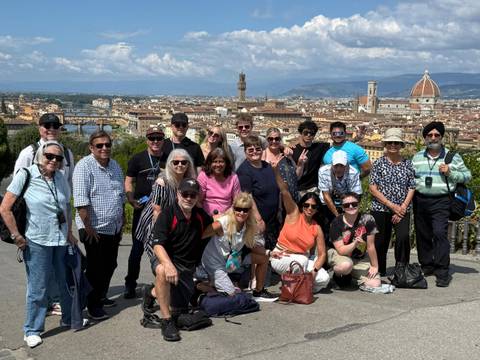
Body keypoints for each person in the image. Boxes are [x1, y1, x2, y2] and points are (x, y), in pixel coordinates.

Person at [0, 141, 77, 348]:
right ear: (40, 156)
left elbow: (67, 207)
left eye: (58, 158)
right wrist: (17, 235)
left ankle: (69, 318)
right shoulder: (26, 174)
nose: (53, 161)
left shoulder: (60, 177)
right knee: (38, 287)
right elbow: (5, 208)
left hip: (59, 239)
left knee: (64, 282)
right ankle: (32, 329)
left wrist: (69, 232)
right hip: (37, 240)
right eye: (49, 156)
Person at [14, 113, 75, 316]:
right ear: (39, 127)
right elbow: (17, 190)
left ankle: (54, 301)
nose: (51, 128)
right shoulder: (28, 153)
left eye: (55, 125)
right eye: (47, 125)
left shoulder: (67, 154)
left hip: (59, 225)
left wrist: (69, 228)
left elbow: (69, 191)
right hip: (34, 224)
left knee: (59, 270)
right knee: (39, 274)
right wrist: (17, 231)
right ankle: (36, 314)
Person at [148, 178, 213, 341]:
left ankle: (151, 292)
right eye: (185, 194)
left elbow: (214, 226)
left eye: (193, 195)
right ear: (178, 194)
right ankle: (166, 321)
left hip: (186, 268)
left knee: (179, 309)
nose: (189, 198)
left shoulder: (200, 216)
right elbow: (157, 246)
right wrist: (168, 264)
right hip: (166, 259)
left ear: (197, 197)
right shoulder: (168, 214)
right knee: (162, 271)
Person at [73, 131, 125, 320]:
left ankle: (100, 296)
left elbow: (120, 196)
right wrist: (88, 228)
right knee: (96, 269)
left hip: (113, 227)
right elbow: (81, 201)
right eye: (99, 145)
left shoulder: (115, 166)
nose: (104, 148)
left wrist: (122, 222)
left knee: (110, 264)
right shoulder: (84, 166)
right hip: (93, 228)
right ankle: (91, 305)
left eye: (107, 145)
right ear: (91, 147)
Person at [412, 121, 471, 287]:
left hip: (442, 200)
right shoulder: (417, 157)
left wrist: (450, 172)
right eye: (430, 135)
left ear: (442, 137)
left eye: (437, 135)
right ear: (425, 138)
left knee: (439, 233)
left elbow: (467, 176)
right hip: (420, 199)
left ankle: (442, 270)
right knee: (422, 234)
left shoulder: (452, 157)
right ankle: (427, 265)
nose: (433, 138)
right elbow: (411, 179)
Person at [201, 192, 278, 301]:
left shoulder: (249, 225)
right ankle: (203, 286)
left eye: (245, 210)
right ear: (233, 209)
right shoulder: (222, 223)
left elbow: (253, 246)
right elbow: (200, 235)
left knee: (264, 258)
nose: (241, 213)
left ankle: (259, 292)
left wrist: (270, 253)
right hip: (215, 262)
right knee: (232, 295)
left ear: (250, 211)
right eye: (238, 209)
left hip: (233, 260)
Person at [269, 158, 330, 293]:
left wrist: (314, 271)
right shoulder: (294, 214)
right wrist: (276, 171)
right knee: (302, 261)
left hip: (302, 259)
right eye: (306, 205)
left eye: (313, 206)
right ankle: (295, 289)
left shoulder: (316, 227)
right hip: (281, 256)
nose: (309, 208)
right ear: (302, 205)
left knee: (324, 278)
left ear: (317, 209)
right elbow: (285, 191)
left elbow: (322, 254)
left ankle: (299, 288)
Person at [123, 125, 165, 299]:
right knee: (137, 249)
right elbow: (128, 182)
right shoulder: (137, 159)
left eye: (158, 138)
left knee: (161, 248)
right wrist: (131, 200)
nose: (155, 141)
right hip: (142, 210)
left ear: (163, 140)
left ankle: (161, 285)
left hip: (162, 211)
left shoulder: (169, 158)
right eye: (151, 138)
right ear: (146, 139)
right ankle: (130, 284)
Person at [369, 128, 416, 276]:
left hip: (402, 208)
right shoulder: (378, 163)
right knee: (380, 240)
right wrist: (392, 206)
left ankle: (401, 270)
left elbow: (412, 187)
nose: (393, 145)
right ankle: (379, 270)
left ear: (401, 145)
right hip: (380, 208)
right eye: (390, 142)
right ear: (385, 144)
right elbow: (372, 188)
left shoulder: (408, 164)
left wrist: (401, 208)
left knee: (403, 238)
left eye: (396, 143)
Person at [136, 149, 196, 260]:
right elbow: (156, 211)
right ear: (170, 164)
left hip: (171, 226)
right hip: (155, 223)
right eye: (176, 162)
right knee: (144, 255)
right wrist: (160, 236)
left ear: (188, 164)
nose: (180, 165)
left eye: (184, 162)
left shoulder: (188, 181)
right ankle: (131, 277)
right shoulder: (162, 182)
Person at [327, 193, 381, 288]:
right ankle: (336, 274)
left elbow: (371, 246)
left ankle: (352, 276)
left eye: (354, 204)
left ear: (359, 204)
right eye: (346, 205)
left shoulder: (368, 219)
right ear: (343, 208)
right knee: (346, 266)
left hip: (359, 257)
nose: (351, 206)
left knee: (375, 284)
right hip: (340, 255)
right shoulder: (336, 223)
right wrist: (355, 243)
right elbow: (341, 250)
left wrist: (374, 266)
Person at [236, 135, 280, 250]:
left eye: (258, 149)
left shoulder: (267, 166)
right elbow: (248, 196)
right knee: (257, 252)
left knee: (269, 250)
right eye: (250, 150)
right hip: (257, 220)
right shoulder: (244, 171)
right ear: (245, 152)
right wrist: (258, 219)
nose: (254, 152)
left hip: (272, 218)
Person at [318, 150, 362, 237]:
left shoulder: (353, 173)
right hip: (327, 200)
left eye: (341, 166)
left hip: (347, 200)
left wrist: (348, 213)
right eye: (336, 166)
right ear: (332, 164)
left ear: (346, 165)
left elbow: (356, 196)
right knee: (327, 225)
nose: (338, 169)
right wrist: (338, 216)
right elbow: (326, 195)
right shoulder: (323, 171)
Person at [262, 127, 301, 203]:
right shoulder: (263, 156)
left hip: (290, 197)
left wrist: (300, 163)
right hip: (271, 198)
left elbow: (295, 175)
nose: (274, 141)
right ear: (267, 140)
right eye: (271, 139)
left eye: (277, 139)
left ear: (280, 140)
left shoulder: (286, 154)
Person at [197, 148, 241, 216]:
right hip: (206, 216)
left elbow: (237, 202)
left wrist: (225, 215)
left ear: (226, 163)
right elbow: (198, 201)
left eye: (221, 161)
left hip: (227, 216)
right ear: (209, 163)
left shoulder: (233, 177)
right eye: (215, 161)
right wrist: (207, 217)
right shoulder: (203, 176)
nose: (218, 165)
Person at [291, 120, 330, 196]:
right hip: (297, 188)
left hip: (313, 188)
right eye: (305, 133)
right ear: (301, 133)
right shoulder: (292, 150)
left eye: (312, 133)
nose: (308, 135)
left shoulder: (320, 147)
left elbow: (336, 143)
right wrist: (287, 146)